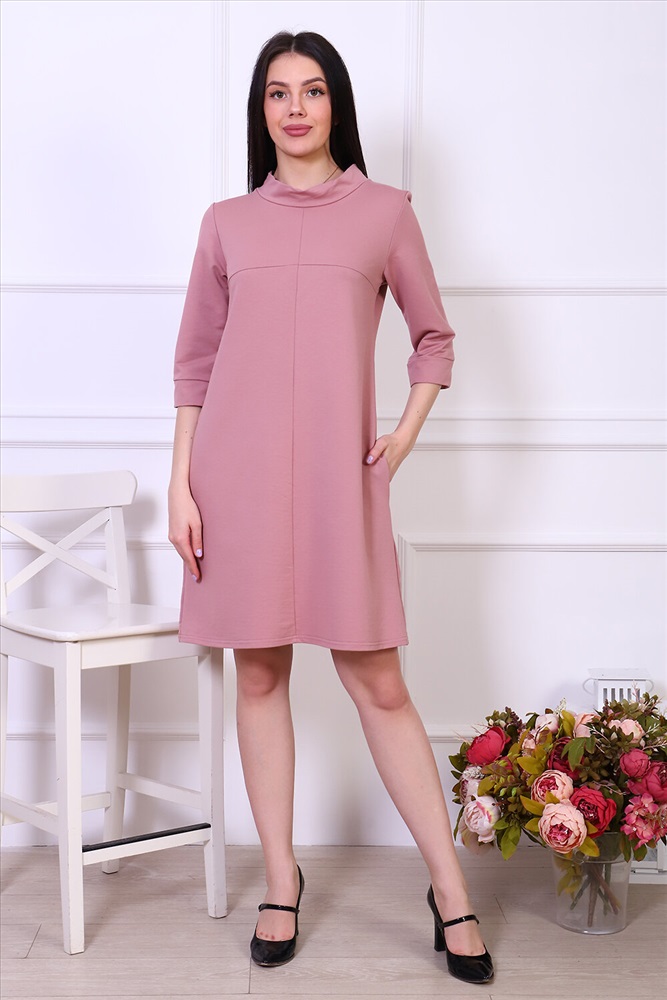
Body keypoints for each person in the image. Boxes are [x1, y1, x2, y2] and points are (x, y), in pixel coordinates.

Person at [168, 30, 493, 986]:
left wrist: (404, 433)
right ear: (261, 111)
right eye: (278, 93)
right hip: (233, 479)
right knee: (259, 676)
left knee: (377, 684)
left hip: (338, 482)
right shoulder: (226, 223)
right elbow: (194, 364)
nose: (295, 108)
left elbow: (433, 338)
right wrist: (182, 482)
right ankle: (281, 880)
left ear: (336, 105)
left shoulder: (385, 213)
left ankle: (450, 891)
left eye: (312, 91)